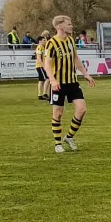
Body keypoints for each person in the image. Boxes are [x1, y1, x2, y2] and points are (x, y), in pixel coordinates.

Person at [40, 15, 93, 153]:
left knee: (82, 109)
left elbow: (76, 59)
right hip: (58, 83)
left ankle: (69, 137)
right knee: (58, 113)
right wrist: (52, 80)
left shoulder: (70, 41)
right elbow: (47, 64)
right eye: (68, 24)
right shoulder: (51, 43)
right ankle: (58, 144)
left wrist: (86, 74)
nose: (71, 26)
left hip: (72, 82)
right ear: (60, 26)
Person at [34, 33, 51, 101]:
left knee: (41, 80)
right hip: (40, 66)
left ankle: (40, 95)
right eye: (44, 40)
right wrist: (44, 66)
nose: (45, 41)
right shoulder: (40, 47)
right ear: (40, 41)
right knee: (48, 78)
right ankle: (45, 94)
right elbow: (38, 58)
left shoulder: (42, 47)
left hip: (40, 66)